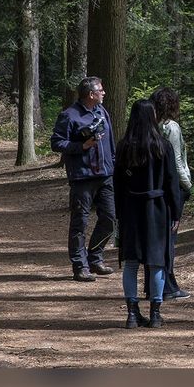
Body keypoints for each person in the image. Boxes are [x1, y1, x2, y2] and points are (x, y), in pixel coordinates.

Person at [114, 99, 184, 329]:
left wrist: (119, 212)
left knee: (131, 263)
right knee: (156, 262)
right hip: (157, 208)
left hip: (131, 209)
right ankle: (155, 314)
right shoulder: (163, 146)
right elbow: (172, 181)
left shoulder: (124, 147)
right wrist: (176, 211)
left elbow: (118, 183)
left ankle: (132, 314)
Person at [50, 76, 117, 282]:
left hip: (105, 176)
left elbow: (111, 143)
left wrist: (114, 165)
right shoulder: (69, 116)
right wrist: (82, 146)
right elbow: (56, 143)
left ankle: (95, 258)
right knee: (80, 222)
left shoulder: (101, 112)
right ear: (91, 94)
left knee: (110, 220)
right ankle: (80, 266)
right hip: (83, 178)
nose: (104, 93)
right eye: (101, 90)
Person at [151, 87, 191, 301]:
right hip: (172, 187)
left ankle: (157, 284)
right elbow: (176, 162)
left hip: (156, 187)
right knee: (169, 237)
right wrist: (187, 185)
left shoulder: (151, 127)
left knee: (160, 238)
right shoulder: (171, 128)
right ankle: (168, 286)